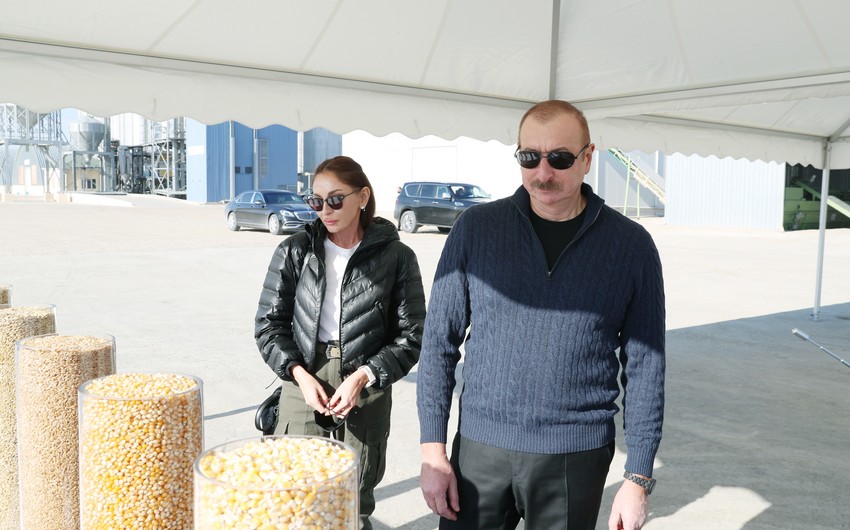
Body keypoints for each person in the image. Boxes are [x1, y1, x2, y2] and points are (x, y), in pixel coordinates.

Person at [417, 100, 665, 530]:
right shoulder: (476, 229)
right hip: (480, 450)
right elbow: (439, 342)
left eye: (560, 158)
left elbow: (646, 366)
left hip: (575, 457)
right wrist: (432, 452)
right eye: (530, 157)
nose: (543, 173)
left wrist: (637, 478)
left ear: (588, 158)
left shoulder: (632, 247)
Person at [255, 155, 426, 530]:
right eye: (316, 201)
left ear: (363, 196)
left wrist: (365, 375)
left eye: (335, 199)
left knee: (354, 494)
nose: (324, 210)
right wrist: (299, 374)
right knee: (295, 491)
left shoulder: (397, 257)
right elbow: (268, 325)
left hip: (366, 380)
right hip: (304, 373)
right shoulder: (295, 250)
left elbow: (413, 335)